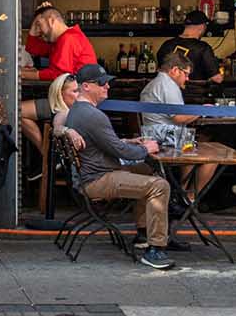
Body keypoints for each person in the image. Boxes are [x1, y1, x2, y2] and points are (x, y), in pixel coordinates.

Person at [58, 63, 174, 271]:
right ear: (86, 86)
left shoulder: (78, 111)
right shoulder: (93, 115)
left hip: (94, 173)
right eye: (102, 83)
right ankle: (155, 249)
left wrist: (130, 142)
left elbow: (106, 144)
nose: (107, 87)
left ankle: (143, 233)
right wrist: (146, 149)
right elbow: (119, 152)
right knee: (160, 186)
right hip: (97, 179)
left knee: (147, 172)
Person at [140, 51, 218, 202]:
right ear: (175, 70)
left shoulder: (156, 83)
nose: (187, 79)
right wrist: (202, 111)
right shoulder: (168, 85)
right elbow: (179, 117)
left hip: (156, 137)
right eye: (186, 74)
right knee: (213, 157)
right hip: (167, 141)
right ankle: (188, 197)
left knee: (195, 148)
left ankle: (180, 194)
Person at [17, 72, 87, 212]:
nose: (79, 95)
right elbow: (16, 110)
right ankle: (47, 155)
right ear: (60, 94)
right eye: (74, 91)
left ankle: (47, 156)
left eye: (79, 90)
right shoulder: (64, 113)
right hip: (86, 170)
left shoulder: (75, 109)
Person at [25, 4, 96, 82]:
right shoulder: (60, 40)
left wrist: (23, 74)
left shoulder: (69, 38)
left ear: (51, 21)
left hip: (81, 92)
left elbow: (60, 75)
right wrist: (34, 24)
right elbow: (33, 48)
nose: (38, 30)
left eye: (39, 25)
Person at [156, 10, 223, 82]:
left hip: (169, 92)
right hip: (195, 92)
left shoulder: (166, 45)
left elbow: (160, 72)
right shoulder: (203, 48)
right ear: (202, 27)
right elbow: (217, 79)